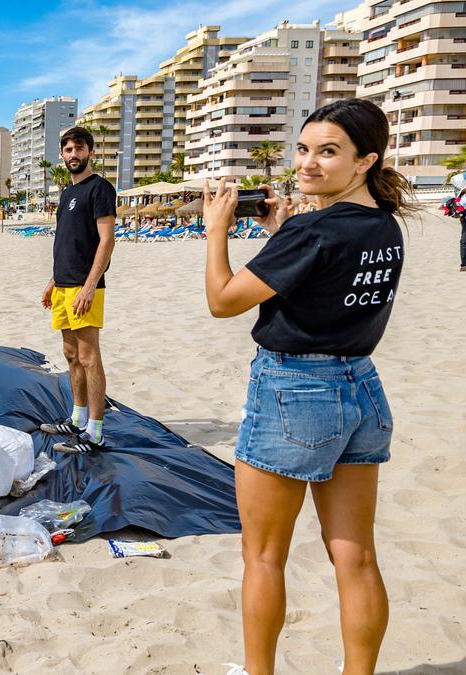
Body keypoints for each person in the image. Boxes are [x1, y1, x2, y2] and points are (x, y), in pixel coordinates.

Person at [203, 98, 410, 675]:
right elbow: (326, 280)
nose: (308, 163)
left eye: (328, 152)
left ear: (365, 160)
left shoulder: (315, 230)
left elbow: (223, 300)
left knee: (264, 556)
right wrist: (284, 231)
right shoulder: (382, 225)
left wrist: (216, 231)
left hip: (295, 388)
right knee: (357, 558)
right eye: (303, 148)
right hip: (361, 387)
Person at [39, 126, 116, 452]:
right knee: (71, 356)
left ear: (91, 153)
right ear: (62, 155)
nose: (74, 154)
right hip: (64, 286)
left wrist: (88, 286)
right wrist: (53, 282)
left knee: (88, 356)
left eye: (79, 149)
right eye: (68, 149)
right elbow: (67, 243)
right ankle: (77, 418)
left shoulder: (100, 188)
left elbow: (106, 240)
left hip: (86, 289)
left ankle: (95, 431)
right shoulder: (67, 195)